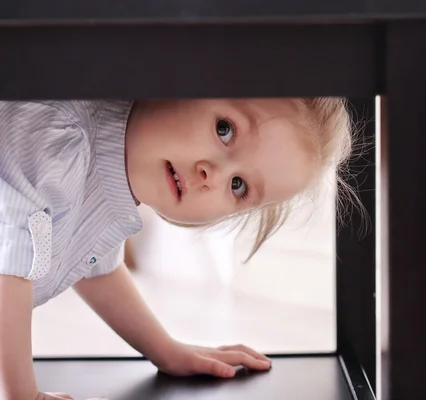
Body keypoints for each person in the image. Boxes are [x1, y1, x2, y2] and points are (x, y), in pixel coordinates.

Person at [0, 98, 354, 400]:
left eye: (237, 185)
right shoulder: (59, 140)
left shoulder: (109, 190)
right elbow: (6, 269)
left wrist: (164, 350)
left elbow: (95, 268)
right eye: (224, 129)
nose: (210, 175)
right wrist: (23, 393)